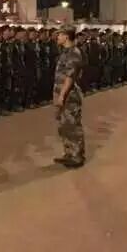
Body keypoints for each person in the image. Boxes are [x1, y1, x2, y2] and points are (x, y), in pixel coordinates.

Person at [53, 26, 85, 168]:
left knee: (72, 125)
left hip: (69, 95)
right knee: (64, 126)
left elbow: (70, 77)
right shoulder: (65, 52)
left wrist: (61, 96)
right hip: (62, 93)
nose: (57, 37)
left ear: (66, 37)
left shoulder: (74, 53)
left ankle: (77, 156)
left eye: (59, 35)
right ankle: (69, 153)